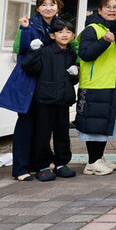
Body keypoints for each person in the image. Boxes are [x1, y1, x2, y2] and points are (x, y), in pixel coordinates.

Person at [0, 0, 64, 182]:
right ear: (37, 8)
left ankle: (37, 164)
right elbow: (21, 49)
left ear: (58, 7)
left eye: (52, 4)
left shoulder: (59, 26)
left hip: (47, 85)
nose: (48, 8)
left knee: (43, 127)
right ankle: (20, 168)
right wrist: (25, 29)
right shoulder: (29, 24)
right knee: (26, 125)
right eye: (44, 5)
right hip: (29, 83)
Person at [21, 20, 79, 181]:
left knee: (62, 134)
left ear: (73, 35)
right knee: (42, 134)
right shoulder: (45, 52)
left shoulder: (71, 54)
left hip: (63, 100)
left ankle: (61, 164)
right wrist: (33, 50)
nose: (65, 35)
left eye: (68, 32)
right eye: (60, 32)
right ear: (52, 36)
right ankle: (43, 166)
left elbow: (72, 80)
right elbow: (28, 66)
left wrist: (76, 73)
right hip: (45, 100)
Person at [75, 0, 116, 176]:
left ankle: (97, 158)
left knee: (104, 123)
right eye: (107, 6)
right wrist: (104, 42)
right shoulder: (92, 29)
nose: (111, 10)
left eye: (115, 7)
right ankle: (92, 160)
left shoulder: (115, 29)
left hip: (110, 82)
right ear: (99, 10)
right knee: (94, 124)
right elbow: (85, 54)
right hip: (96, 84)